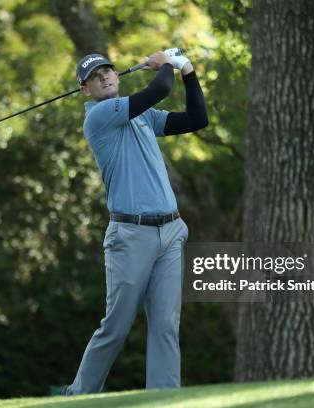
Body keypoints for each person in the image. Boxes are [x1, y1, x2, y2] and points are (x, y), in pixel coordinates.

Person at [64, 49, 208, 395]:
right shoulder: (99, 117)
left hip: (171, 232)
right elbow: (158, 89)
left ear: (116, 74)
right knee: (116, 325)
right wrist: (165, 64)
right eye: (95, 77)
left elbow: (196, 119)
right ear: (85, 90)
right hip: (130, 236)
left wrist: (187, 70)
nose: (105, 77)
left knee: (165, 325)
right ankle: (79, 395)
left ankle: (164, 398)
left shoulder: (141, 116)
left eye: (108, 71)